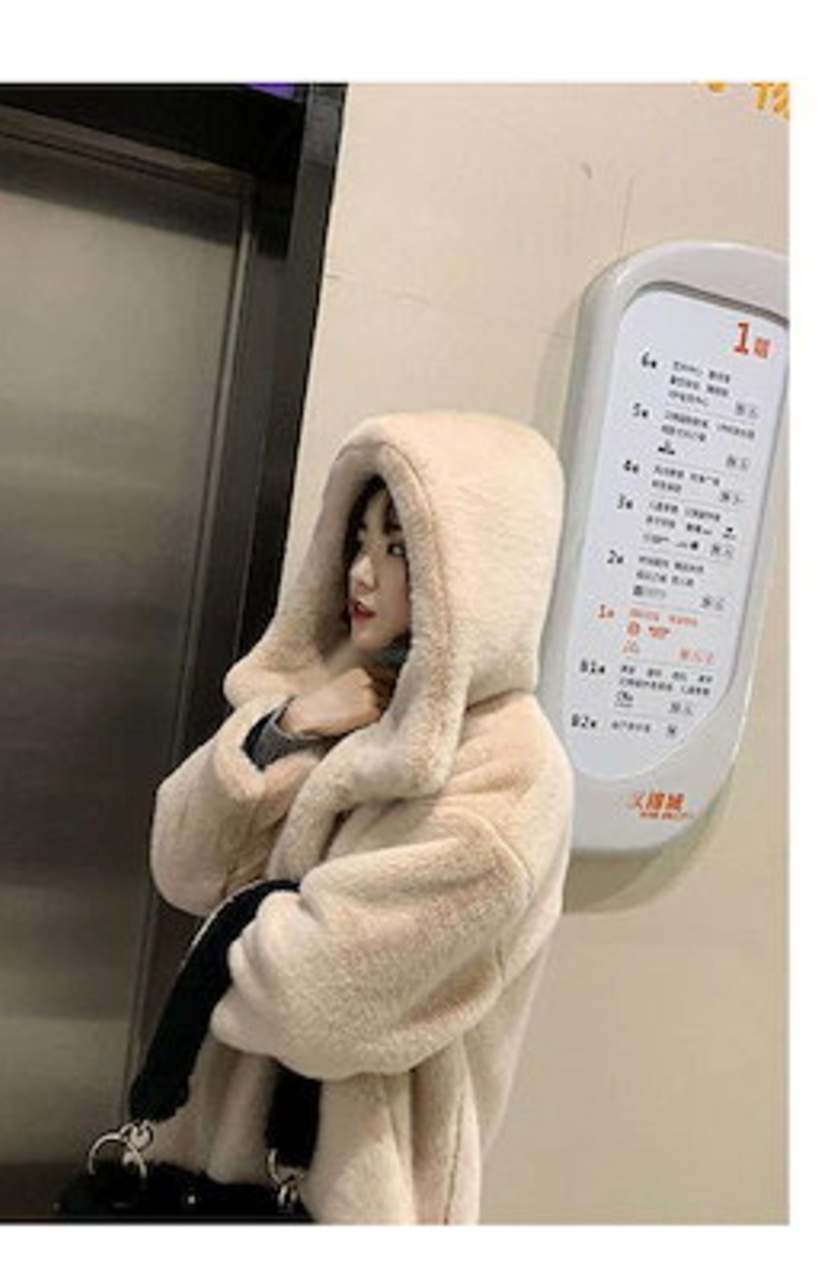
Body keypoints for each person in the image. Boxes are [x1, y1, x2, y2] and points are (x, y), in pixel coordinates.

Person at [148, 411, 574, 1223]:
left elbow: (311, 1005)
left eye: (400, 549)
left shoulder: (507, 771)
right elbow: (186, 865)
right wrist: (289, 726)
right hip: (208, 1165)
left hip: (355, 1194)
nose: (362, 575)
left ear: (477, 570)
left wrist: (223, 946)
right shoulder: (348, 701)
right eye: (359, 541)